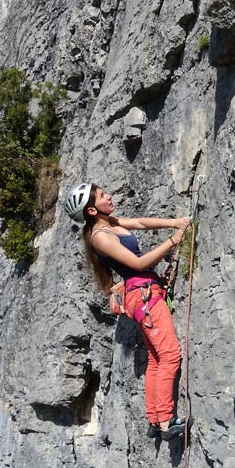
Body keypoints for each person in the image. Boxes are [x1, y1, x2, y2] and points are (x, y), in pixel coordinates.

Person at [63, 182, 192, 440]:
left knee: (156, 358)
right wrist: (173, 240)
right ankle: (166, 421)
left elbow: (140, 223)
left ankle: (155, 419)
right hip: (143, 295)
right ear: (91, 211)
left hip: (142, 294)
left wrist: (175, 221)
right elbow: (139, 262)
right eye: (101, 196)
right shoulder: (100, 236)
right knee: (170, 355)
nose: (108, 196)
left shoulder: (108, 224)